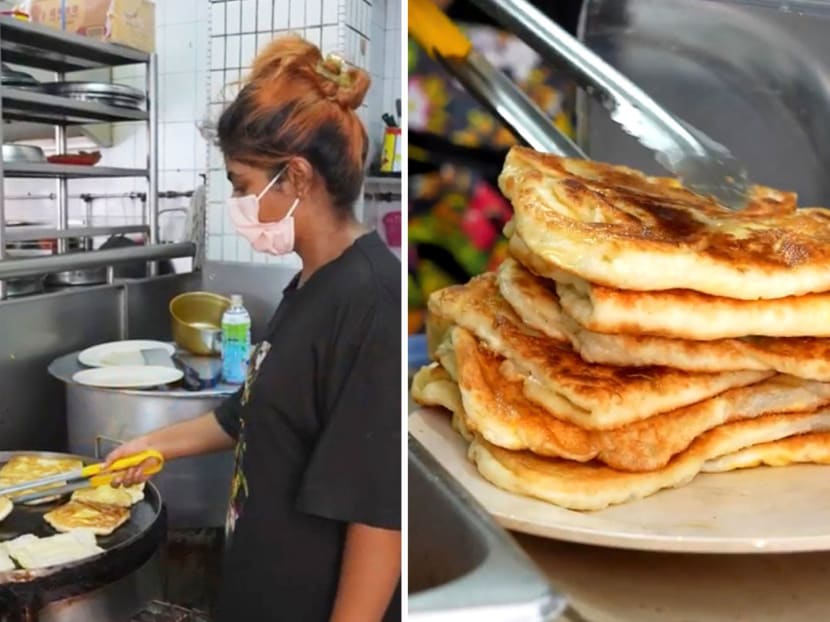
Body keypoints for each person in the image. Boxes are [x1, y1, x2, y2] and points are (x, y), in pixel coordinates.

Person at [105, 35, 402, 622]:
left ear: (296, 176)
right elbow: (249, 414)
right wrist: (150, 446)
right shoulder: (311, 283)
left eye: (242, 184)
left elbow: (380, 516)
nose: (238, 201)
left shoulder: (371, 300)